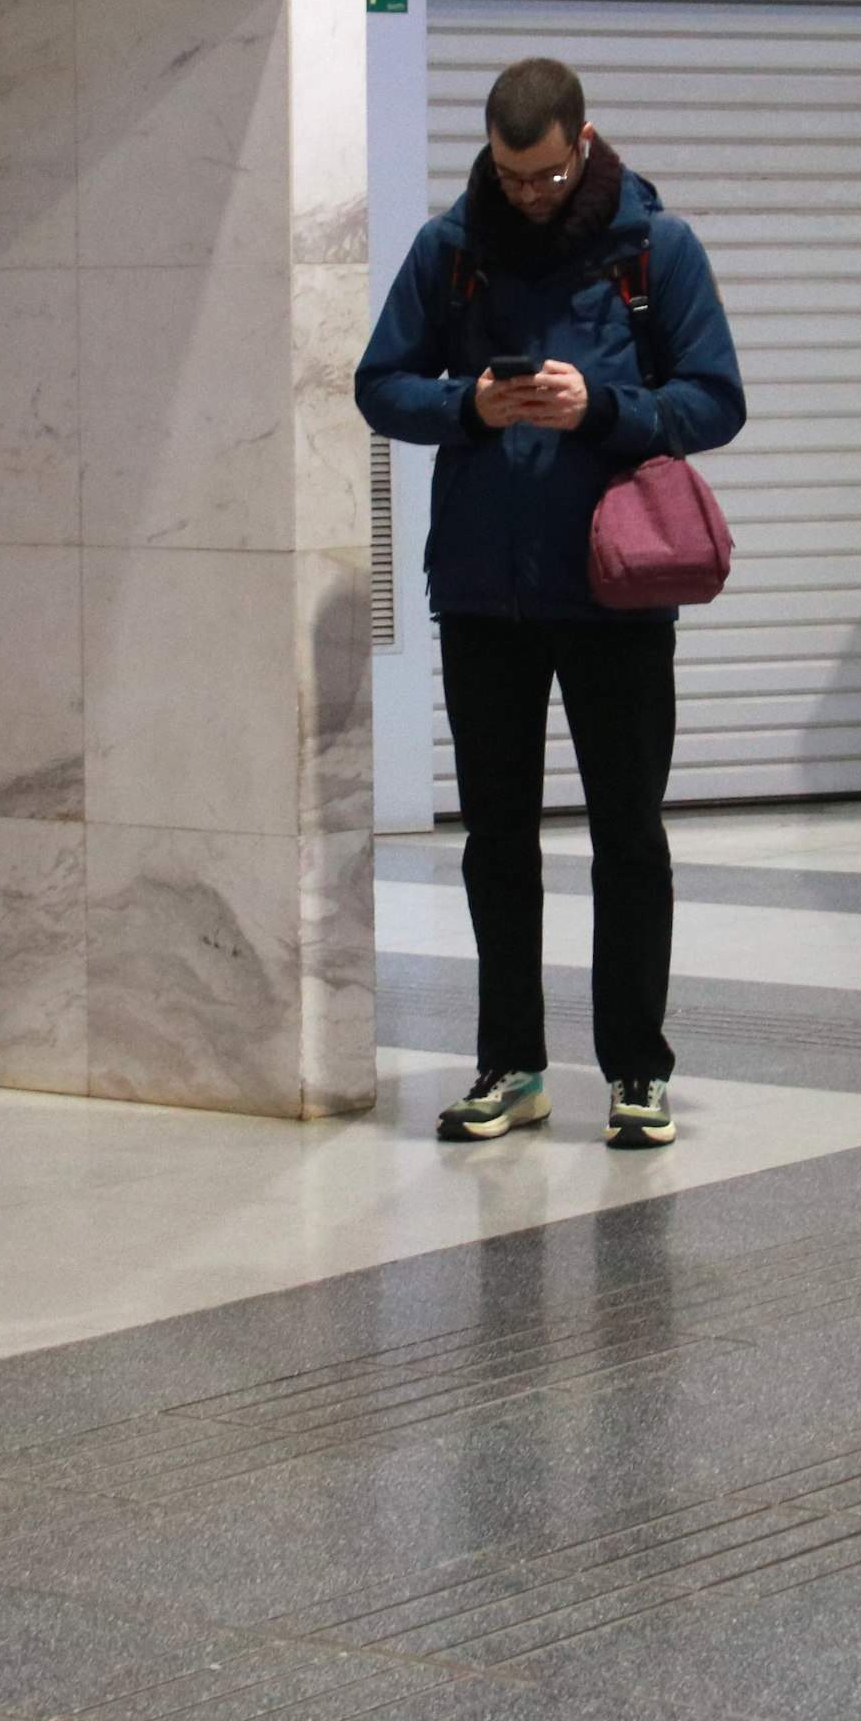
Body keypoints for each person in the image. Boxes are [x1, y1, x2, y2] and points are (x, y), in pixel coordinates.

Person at [355, 57, 744, 1152]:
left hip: (616, 593)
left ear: (583, 143)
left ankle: (636, 1071)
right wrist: (466, 403)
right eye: (510, 172)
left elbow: (716, 398)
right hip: (483, 594)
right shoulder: (451, 251)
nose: (528, 191)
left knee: (629, 835)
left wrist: (604, 407)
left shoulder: (653, 251)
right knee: (497, 841)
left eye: (546, 172)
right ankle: (513, 1065)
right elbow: (378, 384)